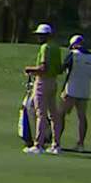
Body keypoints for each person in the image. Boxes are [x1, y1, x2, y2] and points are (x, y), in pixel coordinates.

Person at [22, 22, 64, 154]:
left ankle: (38, 145)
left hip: (42, 82)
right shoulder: (56, 47)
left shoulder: (45, 48)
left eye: (41, 35)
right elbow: (59, 69)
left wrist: (29, 69)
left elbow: (42, 68)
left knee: (41, 114)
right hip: (53, 82)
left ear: (47, 36)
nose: (39, 37)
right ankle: (56, 145)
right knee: (53, 114)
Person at [58, 34, 91, 151]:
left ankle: (56, 142)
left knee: (60, 115)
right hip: (84, 90)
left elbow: (61, 69)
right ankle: (80, 144)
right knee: (82, 117)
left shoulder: (73, 55)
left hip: (70, 89)